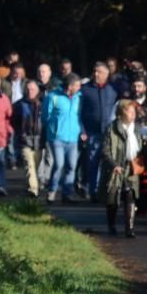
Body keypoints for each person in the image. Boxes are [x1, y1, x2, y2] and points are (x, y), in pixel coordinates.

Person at [99, 99, 143, 237]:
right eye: (130, 112)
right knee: (113, 198)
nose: (133, 114)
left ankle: (129, 229)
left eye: (134, 112)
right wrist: (114, 165)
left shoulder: (136, 128)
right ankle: (111, 226)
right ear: (122, 113)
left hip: (131, 167)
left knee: (130, 196)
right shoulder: (111, 128)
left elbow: (140, 147)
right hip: (115, 168)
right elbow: (105, 150)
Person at [80, 61, 119, 200]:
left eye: (100, 72)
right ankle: (93, 192)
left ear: (107, 74)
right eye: (95, 71)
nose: (96, 74)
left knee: (109, 162)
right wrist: (82, 130)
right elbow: (79, 112)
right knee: (92, 163)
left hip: (109, 132)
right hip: (91, 132)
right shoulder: (85, 89)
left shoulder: (113, 90)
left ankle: (106, 190)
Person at [43, 74, 83, 203]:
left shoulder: (79, 97)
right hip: (57, 138)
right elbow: (45, 117)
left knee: (71, 166)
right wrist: (54, 129)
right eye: (77, 85)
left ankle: (67, 194)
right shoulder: (52, 96)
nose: (79, 88)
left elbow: (81, 116)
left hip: (73, 138)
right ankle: (52, 191)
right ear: (70, 86)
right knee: (59, 164)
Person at [12, 79, 44, 198]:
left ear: (38, 90)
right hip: (25, 139)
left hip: (39, 140)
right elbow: (13, 121)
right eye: (28, 89)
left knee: (34, 166)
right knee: (29, 165)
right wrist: (20, 133)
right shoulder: (19, 105)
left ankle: (30, 185)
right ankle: (33, 190)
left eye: (33, 89)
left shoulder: (43, 104)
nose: (30, 91)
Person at [0, 75, 11, 196]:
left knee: (0, 162)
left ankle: (1, 186)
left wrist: (8, 130)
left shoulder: (4, 98)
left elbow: (9, 115)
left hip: (0, 136)